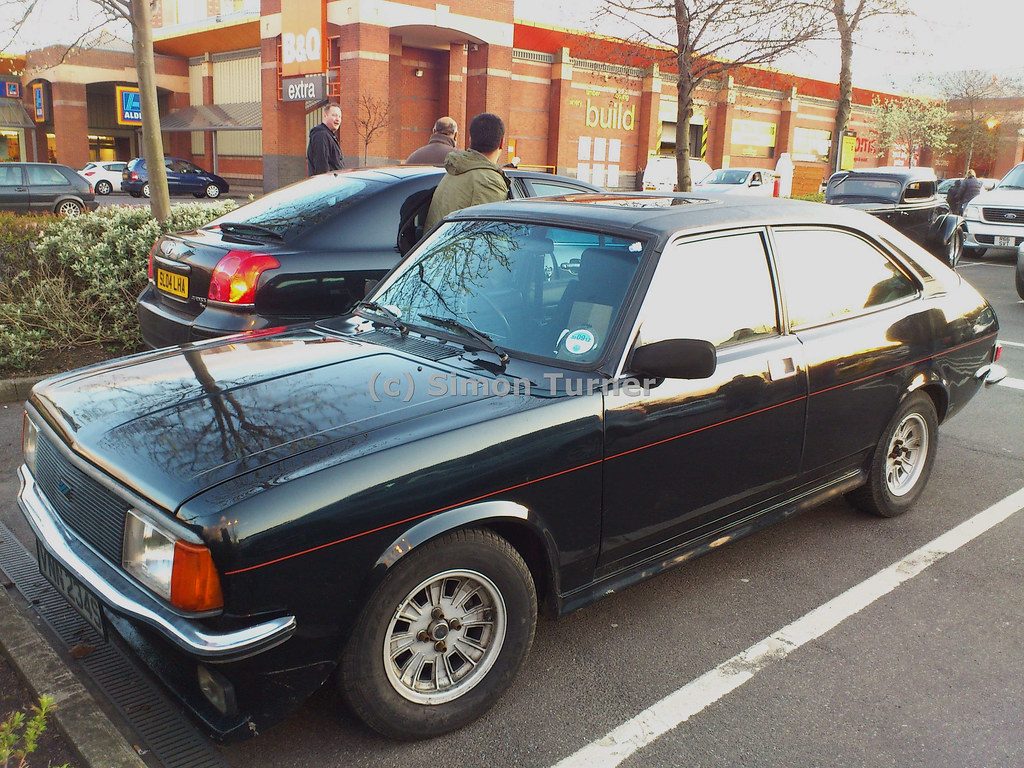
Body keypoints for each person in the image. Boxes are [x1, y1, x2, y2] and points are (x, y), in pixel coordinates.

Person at [424, 112, 510, 231]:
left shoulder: (454, 170)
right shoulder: (489, 181)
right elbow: (490, 237)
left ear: (470, 139)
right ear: (501, 143)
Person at [307, 104, 344, 176]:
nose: (338, 119)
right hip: (327, 184)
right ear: (325, 116)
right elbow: (321, 166)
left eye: (340, 117)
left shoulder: (329, 136)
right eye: (334, 115)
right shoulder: (321, 136)